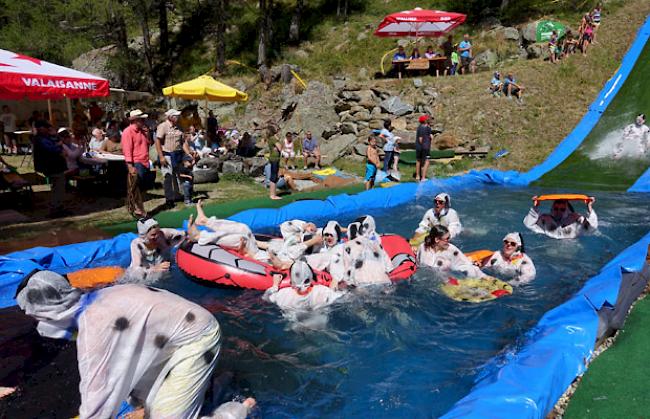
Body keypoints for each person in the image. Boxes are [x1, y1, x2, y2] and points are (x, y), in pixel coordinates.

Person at [15, 269, 256, 419]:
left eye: (34, 316)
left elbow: (96, 392)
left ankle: (239, 409)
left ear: (46, 311)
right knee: (142, 397)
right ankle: (215, 382)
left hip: (197, 339)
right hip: (180, 332)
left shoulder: (94, 325)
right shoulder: (99, 298)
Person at [187, 200, 265, 260]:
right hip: (264, 250)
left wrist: (242, 248)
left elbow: (252, 258)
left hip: (257, 255)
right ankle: (205, 220)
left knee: (242, 239)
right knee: (244, 228)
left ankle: (198, 236)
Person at [327, 215, 393, 286]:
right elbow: (389, 267)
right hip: (385, 281)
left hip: (363, 284)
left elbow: (347, 272)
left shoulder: (346, 246)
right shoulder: (376, 243)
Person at [264, 260, 344, 314]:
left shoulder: (282, 295)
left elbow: (266, 298)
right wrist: (335, 281)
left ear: (291, 281)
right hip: (318, 325)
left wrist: (275, 285)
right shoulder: (323, 292)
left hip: (294, 327)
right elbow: (341, 297)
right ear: (312, 277)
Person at [416, 225, 484, 277]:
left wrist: (483, 276)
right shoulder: (423, 247)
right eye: (447, 238)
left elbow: (467, 265)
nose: (449, 240)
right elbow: (417, 264)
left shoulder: (451, 249)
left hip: (445, 280)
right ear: (437, 240)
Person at [156, 109, 191, 208]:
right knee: (168, 176)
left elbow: (183, 142)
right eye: (176, 116)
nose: (178, 117)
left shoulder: (179, 127)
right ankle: (169, 199)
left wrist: (188, 153)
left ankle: (177, 194)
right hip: (167, 154)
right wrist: (161, 156)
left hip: (178, 153)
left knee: (179, 175)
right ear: (170, 117)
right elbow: (157, 141)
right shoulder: (163, 126)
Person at [32, 120, 68, 217]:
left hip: (56, 166)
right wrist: (59, 145)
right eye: (46, 127)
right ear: (40, 128)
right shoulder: (40, 139)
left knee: (59, 187)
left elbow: (55, 144)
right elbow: (51, 149)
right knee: (58, 187)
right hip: (52, 167)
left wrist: (55, 136)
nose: (48, 129)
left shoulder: (47, 137)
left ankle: (59, 206)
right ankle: (55, 208)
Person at [523, 196, 598, 239]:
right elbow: (528, 224)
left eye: (562, 209)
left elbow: (592, 228)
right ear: (552, 209)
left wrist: (589, 207)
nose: (558, 211)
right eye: (556, 209)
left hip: (571, 246)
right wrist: (535, 207)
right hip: (550, 244)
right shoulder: (546, 219)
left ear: (567, 210)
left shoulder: (576, 219)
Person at [122, 109, 151, 218]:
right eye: (142, 119)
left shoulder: (142, 131)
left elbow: (148, 144)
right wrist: (130, 165)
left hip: (144, 161)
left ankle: (137, 208)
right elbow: (127, 149)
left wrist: (148, 134)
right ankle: (139, 209)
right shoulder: (127, 132)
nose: (144, 121)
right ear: (135, 120)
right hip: (136, 162)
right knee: (136, 187)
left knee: (140, 187)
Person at [415, 115, 432, 182]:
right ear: (425, 120)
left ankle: (417, 176)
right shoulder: (426, 128)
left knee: (418, 160)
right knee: (426, 161)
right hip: (425, 147)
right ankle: (423, 177)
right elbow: (420, 139)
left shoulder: (419, 127)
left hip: (418, 147)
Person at [267, 132, 284, 200]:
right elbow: (280, 148)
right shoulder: (274, 139)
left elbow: (277, 148)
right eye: (278, 131)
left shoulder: (271, 138)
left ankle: (273, 194)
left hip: (273, 158)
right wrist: (278, 140)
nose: (279, 132)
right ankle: (272, 195)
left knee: (274, 176)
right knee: (273, 177)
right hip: (274, 159)